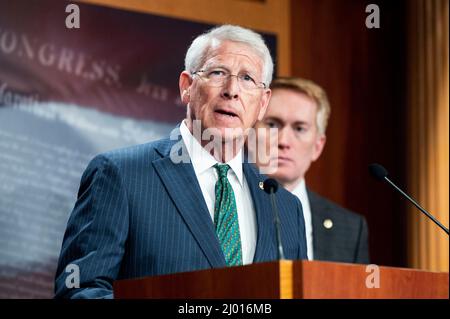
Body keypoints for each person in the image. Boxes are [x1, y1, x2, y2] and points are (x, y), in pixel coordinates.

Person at [54, 26, 308, 299]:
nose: (232, 90)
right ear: (187, 86)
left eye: (247, 78)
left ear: (262, 103)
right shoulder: (121, 175)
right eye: (217, 73)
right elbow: (79, 290)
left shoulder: (284, 206)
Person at [251, 77, 369, 263]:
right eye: (272, 124)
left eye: (299, 128)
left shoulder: (350, 229)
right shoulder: (225, 209)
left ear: (318, 146)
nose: (283, 141)